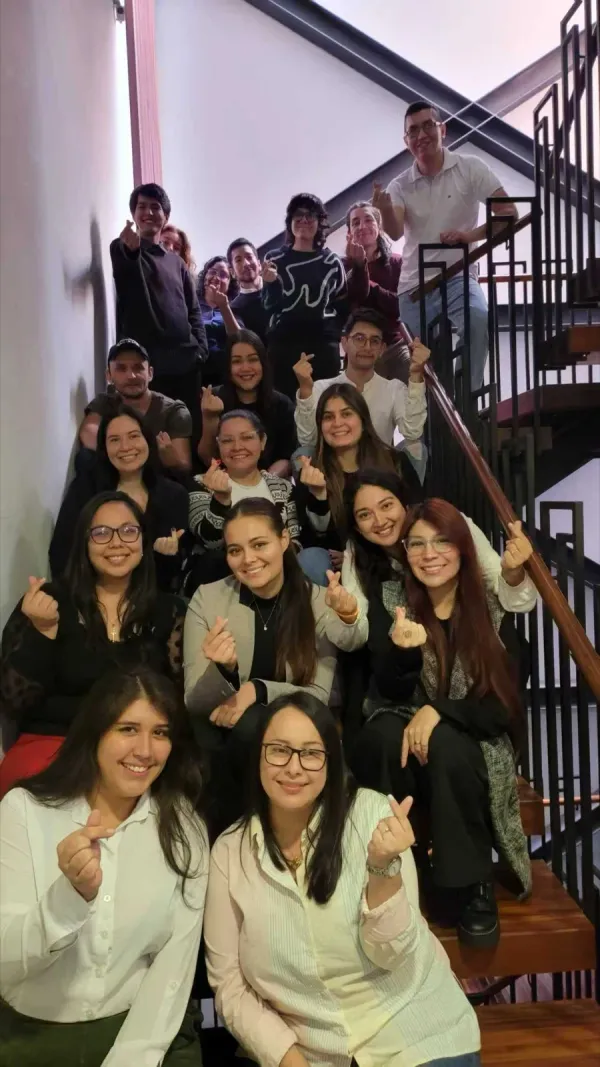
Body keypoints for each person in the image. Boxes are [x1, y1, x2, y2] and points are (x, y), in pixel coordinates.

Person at [204, 691, 481, 1067]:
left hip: (412, 1035)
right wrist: (288, 1059)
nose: (294, 767)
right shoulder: (229, 854)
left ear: (331, 763)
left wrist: (383, 868)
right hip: (311, 1053)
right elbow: (230, 986)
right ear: (258, 757)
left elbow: (394, 953)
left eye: (311, 753)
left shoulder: (372, 814)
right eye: (279, 750)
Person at [346, 496, 533, 948]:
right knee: (379, 737)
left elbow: (500, 709)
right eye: (417, 544)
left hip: (473, 738)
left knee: (448, 744)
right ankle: (400, 867)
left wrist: (440, 712)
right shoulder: (393, 601)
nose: (429, 555)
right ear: (405, 553)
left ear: (464, 548)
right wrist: (405, 652)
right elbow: (386, 692)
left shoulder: (493, 606)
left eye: (442, 542)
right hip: (409, 732)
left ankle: (472, 884)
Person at [0, 667, 207, 1066]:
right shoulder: (23, 812)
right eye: (127, 728)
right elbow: (7, 962)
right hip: (28, 1033)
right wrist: (68, 897)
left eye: (160, 732)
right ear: (95, 732)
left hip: (141, 1032)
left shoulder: (185, 829)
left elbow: (171, 974)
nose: (145, 750)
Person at [184, 500, 363, 835]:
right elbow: (195, 700)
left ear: (284, 540)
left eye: (259, 544)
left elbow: (319, 695)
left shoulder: (318, 601)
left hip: (291, 732)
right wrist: (223, 670)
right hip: (219, 735)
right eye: (235, 550)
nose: (248, 559)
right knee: (209, 737)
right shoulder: (208, 599)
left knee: (251, 725)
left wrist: (257, 689)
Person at [0, 492, 186, 797]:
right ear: (84, 543)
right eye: (101, 533)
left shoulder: (169, 611)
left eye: (128, 531)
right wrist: (43, 632)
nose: (116, 542)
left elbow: (175, 702)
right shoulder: (49, 600)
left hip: (135, 746)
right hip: (56, 740)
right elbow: (14, 702)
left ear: (143, 540)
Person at [373, 102, 518, 389]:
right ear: (406, 142)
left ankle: (465, 401)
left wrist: (469, 236)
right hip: (414, 288)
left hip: (458, 275)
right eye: (413, 130)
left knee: (477, 320)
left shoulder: (470, 168)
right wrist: (384, 210)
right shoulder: (400, 185)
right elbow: (394, 231)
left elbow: (509, 215)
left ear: (443, 129)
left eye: (428, 125)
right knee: (427, 371)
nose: (421, 135)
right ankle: (440, 425)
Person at [342, 469, 539, 630]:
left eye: (386, 506)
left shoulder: (447, 523)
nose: (380, 521)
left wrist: (513, 574)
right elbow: (358, 631)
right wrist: (348, 614)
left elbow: (517, 601)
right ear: (357, 527)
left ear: (405, 504)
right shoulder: (357, 553)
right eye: (365, 515)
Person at [50, 406, 189, 592]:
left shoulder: (174, 495)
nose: (125, 447)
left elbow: (171, 574)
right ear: (104, 448)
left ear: (147, 440)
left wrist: (166, 555)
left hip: (150, 599)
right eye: (114, 440)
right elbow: (61, 553)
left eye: (133, 436)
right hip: (89, 597)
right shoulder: (85, 488)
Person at [295, 384, 423, 585]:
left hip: (393, 552)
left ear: (362, 420)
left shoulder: (394, 461)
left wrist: (357, 554)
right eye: (328, 417)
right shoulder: (312, 471)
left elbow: (418, 512)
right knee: (311, 559)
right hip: (339, 569)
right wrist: (318, 497)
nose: (337, 423)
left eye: (346, 414)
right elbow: (312, 543)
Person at [110, 183, 207, 421]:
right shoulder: (122, 247)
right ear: (134, 214)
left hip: (186, 362)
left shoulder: (177, 263)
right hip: (147, 365)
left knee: (187, 433)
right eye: (142, 207)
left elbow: (194, 310)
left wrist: (201, 349)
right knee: (150, 435)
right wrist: (133, 252)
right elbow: (127, 279)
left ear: (165, 217)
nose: (149, 212)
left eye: (155, 207)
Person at [293, 308, 428, 477]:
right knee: (302, 452)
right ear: (344, 343)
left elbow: (412, 432)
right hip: (333, 472)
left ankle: (409, 503)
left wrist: (416, 375)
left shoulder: (393, 388)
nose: (367, 347)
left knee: (416, 448)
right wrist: (305, 389)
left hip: (378, 472)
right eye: (359, 339)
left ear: (382, 349)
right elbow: (308, 440)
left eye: (374, 341)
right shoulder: (322, 388)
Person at [188, 410, 300, 587]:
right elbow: (209, 543)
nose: (237, 447)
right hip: (220, 579)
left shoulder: (283, 488)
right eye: (227, 440)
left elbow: (295, 542)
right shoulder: (202, 483)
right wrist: (220, 499)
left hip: (277, 576)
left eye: (246, 438)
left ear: (262, 441)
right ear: (218, 445)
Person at [263, 193, 347, 399]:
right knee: (285, 408)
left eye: (311, 215)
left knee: (324, 405)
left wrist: (337, 337)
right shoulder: (274, 259)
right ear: (290, 222)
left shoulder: (332, 261)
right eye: (298, 215)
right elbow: (267, 305)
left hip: (323, 346)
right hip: (284, 346)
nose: (304, 220)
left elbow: (343, 304)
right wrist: (271, 283)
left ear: (320, 222)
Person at [79, 339, 193, 473]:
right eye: (121, 369)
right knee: (84, 459)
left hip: (158, 481)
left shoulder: (174, 411)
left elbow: (184, 466)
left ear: (150, 373)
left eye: (138, 367)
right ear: (109, 376)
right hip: (115, 479)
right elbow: (88, 432)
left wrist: (170, 459)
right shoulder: (104, 401)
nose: (131, 376)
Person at [198, 330, 297, 478]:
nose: (245, 368)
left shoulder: (282, 404)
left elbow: (286, 457)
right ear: (228, 366)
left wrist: (263, 483)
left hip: (269, 483)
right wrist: (209, 417)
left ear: (263, 363)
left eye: (252, 359)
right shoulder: (213, 399)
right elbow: (207, 459)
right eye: (237, 361)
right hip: (223, 480)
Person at [196, 255, 243, 387]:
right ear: (205, 276)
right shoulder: (190, 304)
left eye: (223, 275)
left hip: (225, 377)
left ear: (229, 283)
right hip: (195, 375)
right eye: (212, 272)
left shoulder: (233, 308)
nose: (216, 277)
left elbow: (240, 339)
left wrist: (224, 306)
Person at [227, 238, 269, 342]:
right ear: (232, 272)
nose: (246, 263)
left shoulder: (278, 286)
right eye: (238, 260)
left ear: (259, 264)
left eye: (249, 257)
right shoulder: (234, 309)